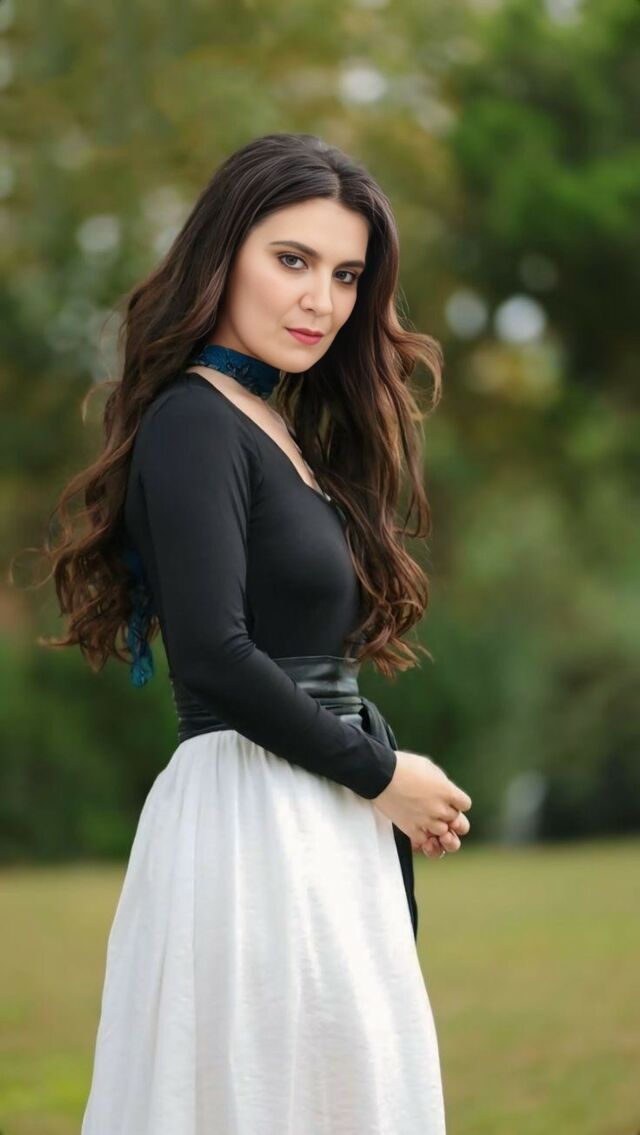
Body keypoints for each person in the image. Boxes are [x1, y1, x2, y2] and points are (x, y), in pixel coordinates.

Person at [42, 132, 472, 1133]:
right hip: (251, 825)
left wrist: (374, 783)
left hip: (315, 813)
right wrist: (382, 773)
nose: (321, 298)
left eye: (346, 274)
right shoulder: (195, 420)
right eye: (292, 259)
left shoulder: (274, 424)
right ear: (223, 252)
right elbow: (214, 655)